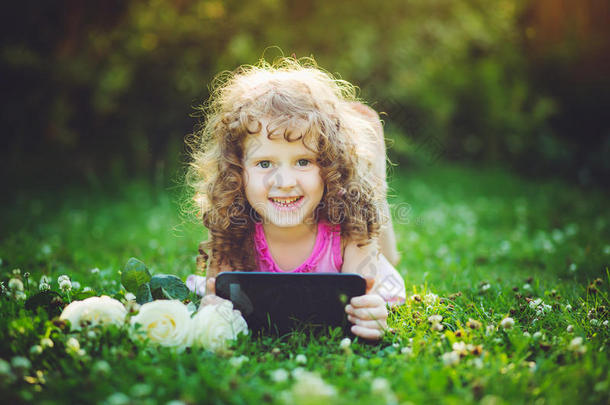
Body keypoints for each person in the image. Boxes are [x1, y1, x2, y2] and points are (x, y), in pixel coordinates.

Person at [185, 57, 406, 341]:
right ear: (237, 171)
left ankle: (373, 174)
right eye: (265, 164)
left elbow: (364, 302)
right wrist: (212, 311)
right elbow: (217, 302)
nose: (285, 183)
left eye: (303, 161)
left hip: (348, 215)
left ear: (328, 165)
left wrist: (370, 314)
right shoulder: (233, 224)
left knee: (370, 205)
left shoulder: (351, 224)